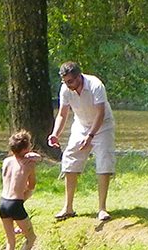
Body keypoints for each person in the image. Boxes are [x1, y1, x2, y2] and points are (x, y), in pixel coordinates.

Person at [48, 60, 115, 224]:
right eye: (65, 82)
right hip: (81, 125)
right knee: (70, 158)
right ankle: (68, 207)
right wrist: (55, 134)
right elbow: (63, 114)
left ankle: (102, 208)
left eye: (70, 81)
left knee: (103, 162)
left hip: (102, 125)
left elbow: (100, 113)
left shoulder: (96, 85)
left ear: (79, 76)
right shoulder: (65, 89)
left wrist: (91, 136)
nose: (68, 85)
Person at [0, 130, 41, 250]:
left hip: (3, 203)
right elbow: (32, 184)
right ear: (26, 148)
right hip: (15, 204)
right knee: (31, 237)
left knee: (10, 240)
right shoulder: (29, 164)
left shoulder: (6, 161)